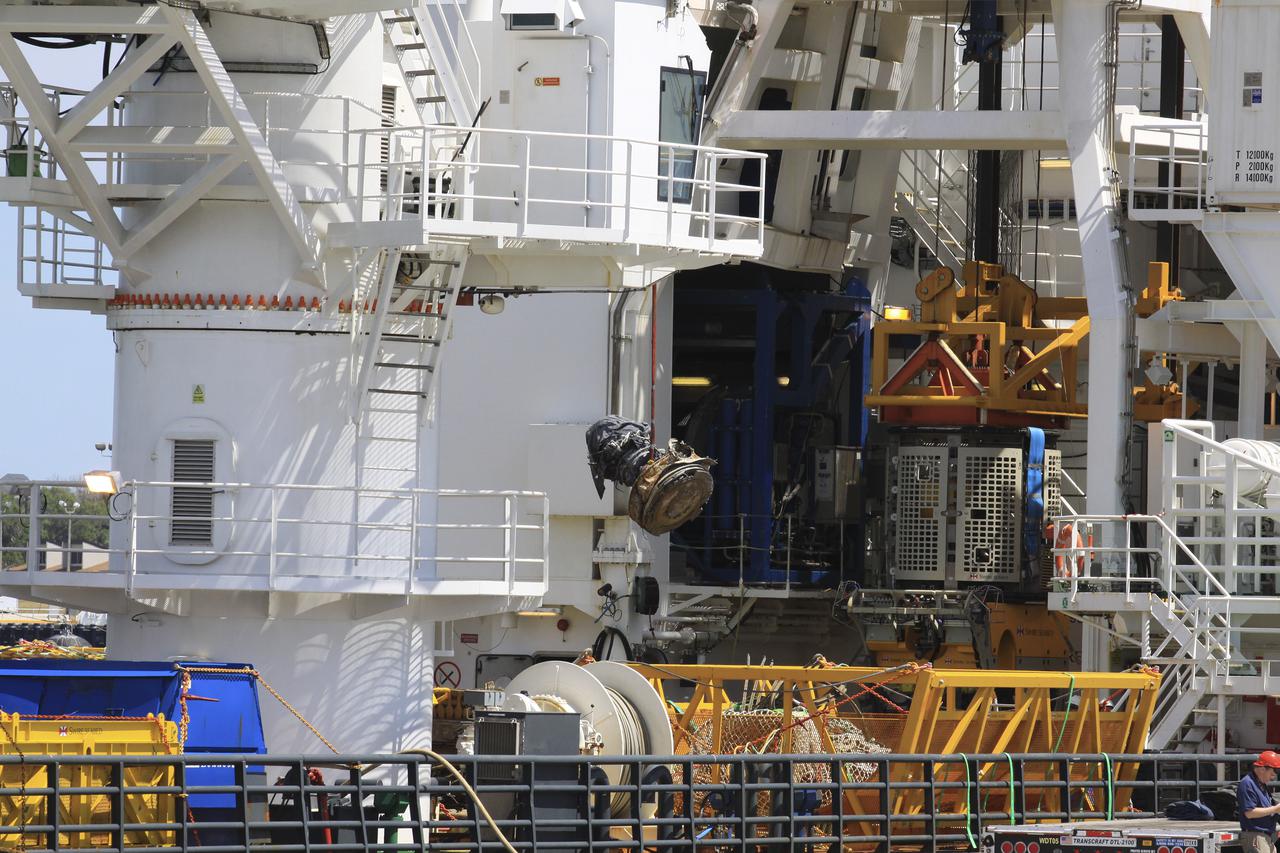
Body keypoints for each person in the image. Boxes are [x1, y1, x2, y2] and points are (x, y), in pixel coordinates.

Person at [1239, 751, 1280, 853]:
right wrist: (1275, 809)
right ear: (1262, 769)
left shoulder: (1260, 785)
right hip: (1256, 837)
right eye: (1272, 772)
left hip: (1265, 837)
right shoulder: (1247, 783)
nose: (1273, 777)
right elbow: (1249, 813)